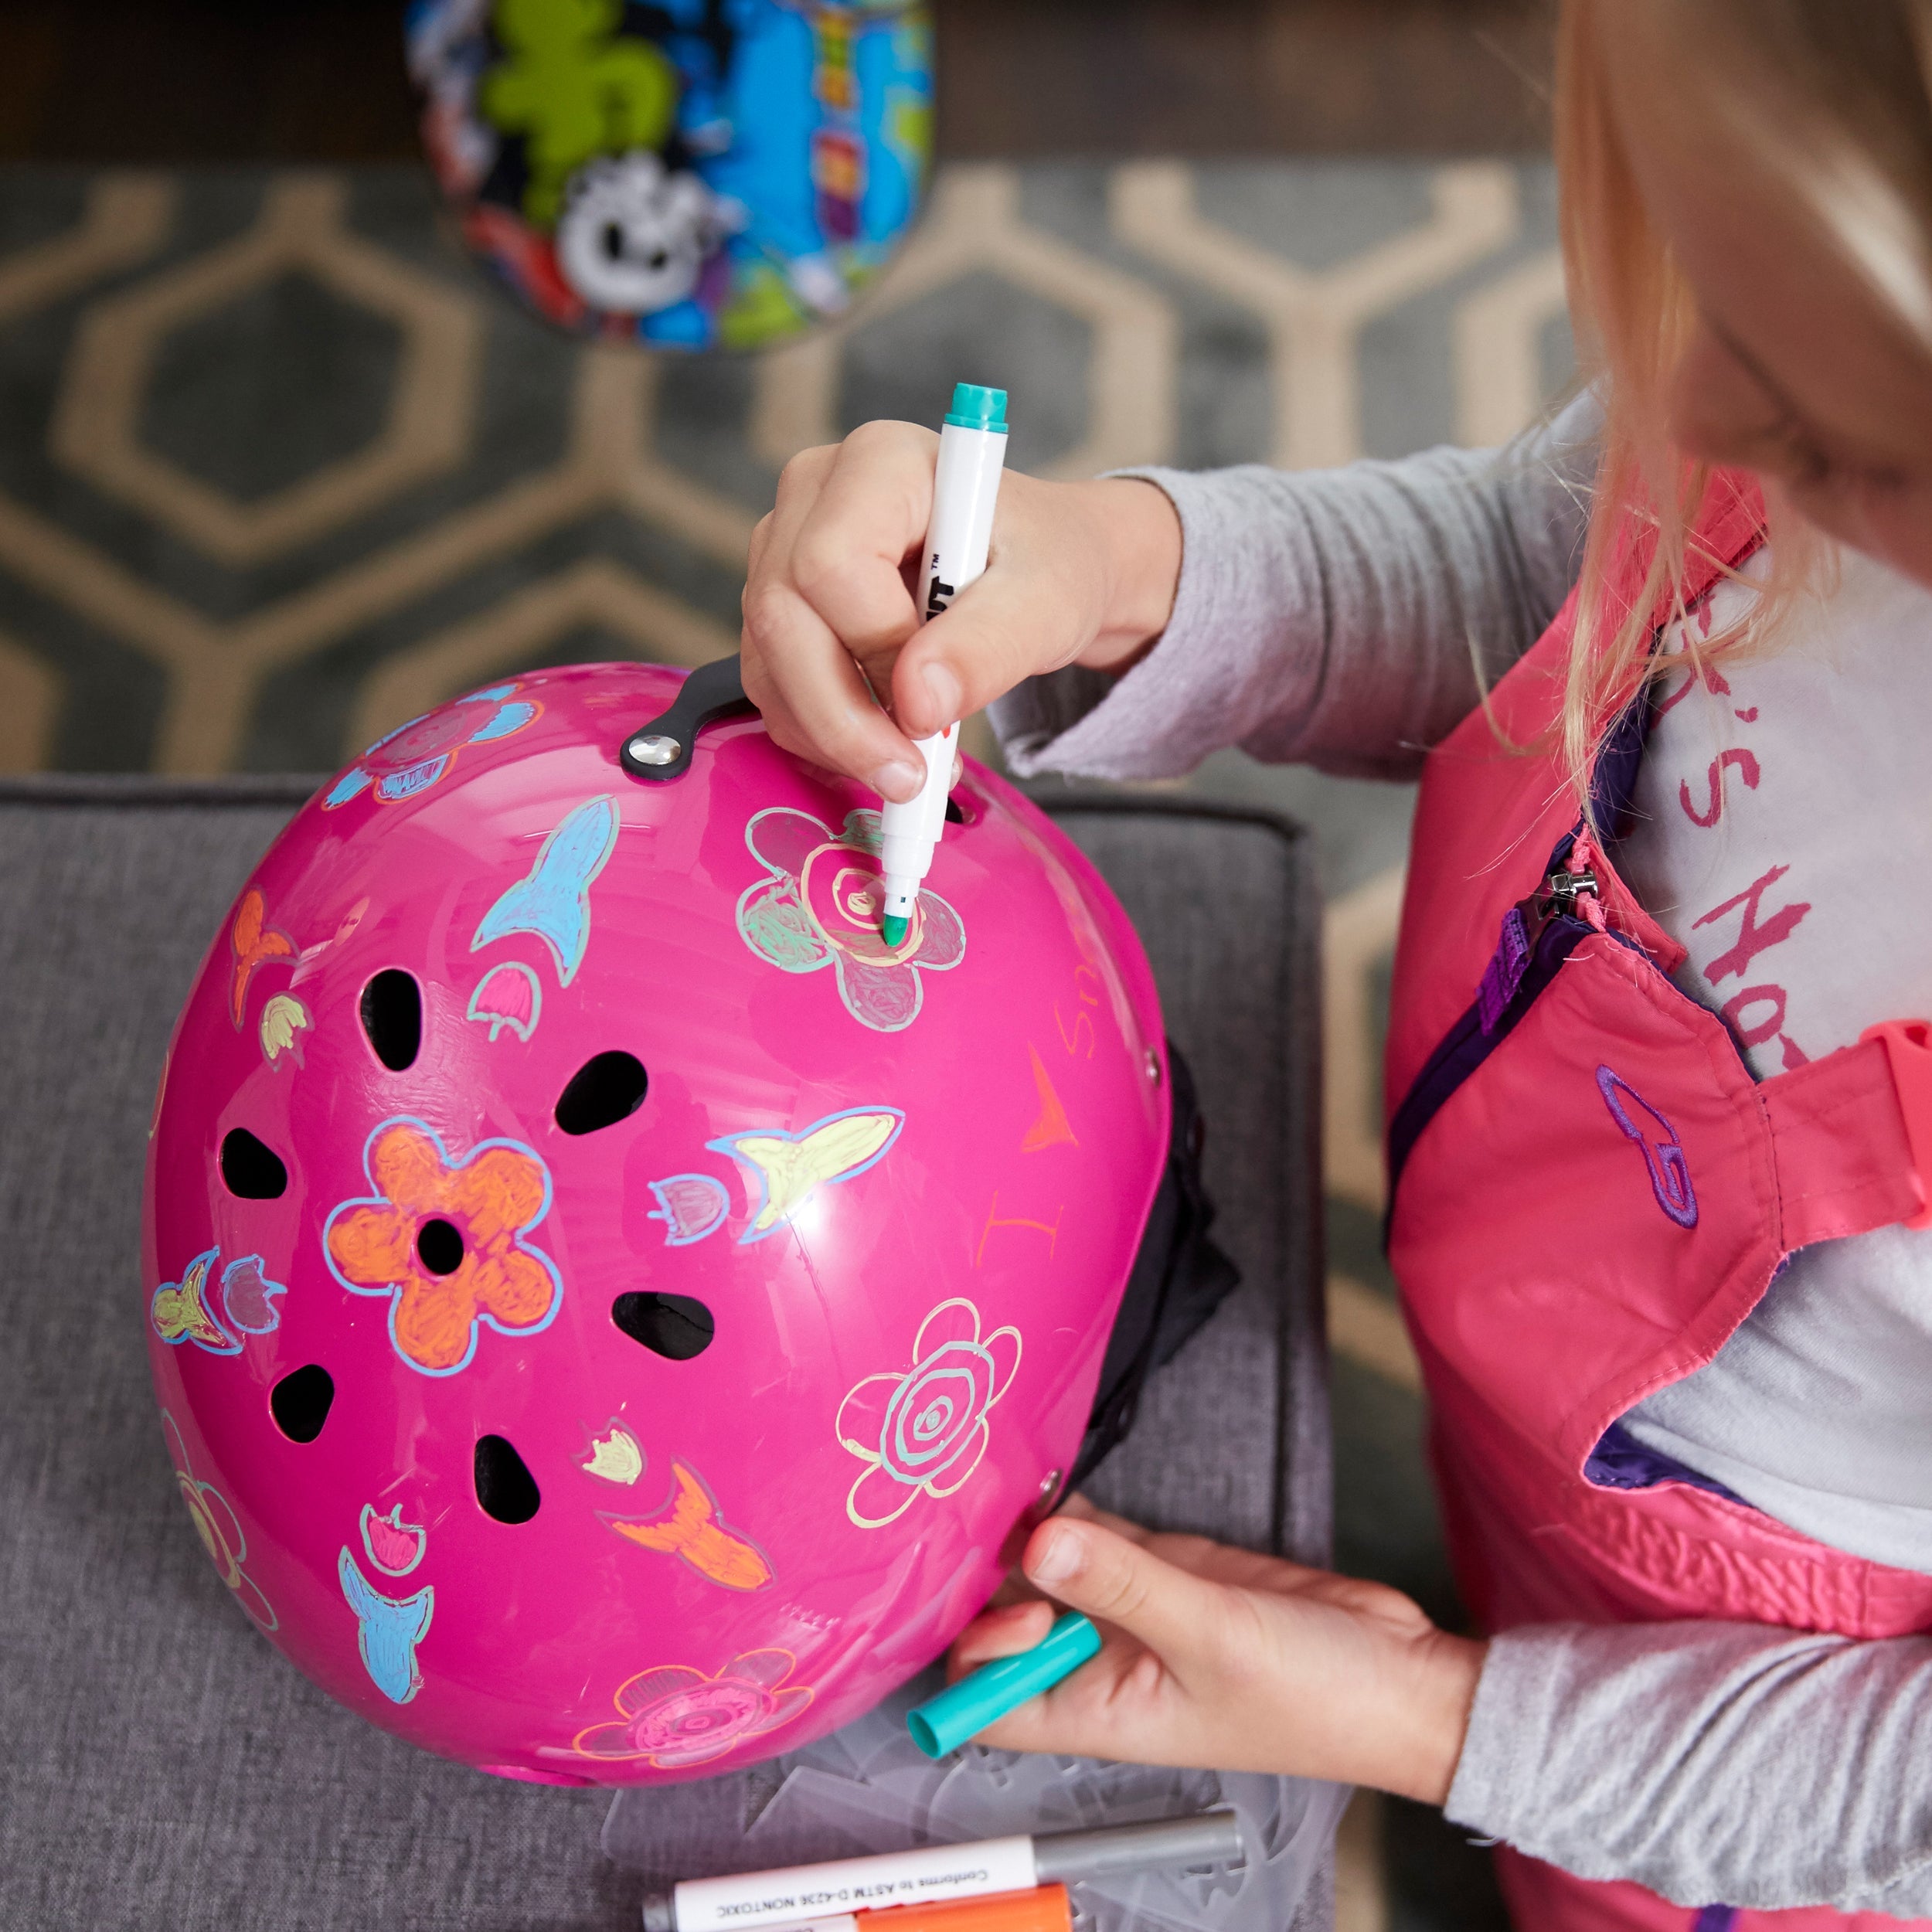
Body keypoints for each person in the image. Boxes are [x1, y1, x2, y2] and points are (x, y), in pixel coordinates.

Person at [737, 2, 1932, 1925]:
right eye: (1699, 287)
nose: (1694, 411)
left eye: (1833, 430)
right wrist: (1108, 566)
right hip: (1534, 1354)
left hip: (1760, 1706)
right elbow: (1529, 566)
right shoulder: (1764, 373)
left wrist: (1436, 1721)